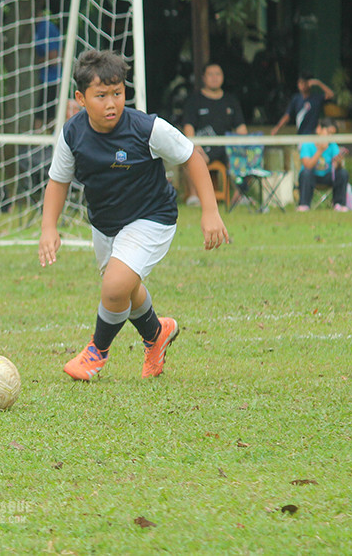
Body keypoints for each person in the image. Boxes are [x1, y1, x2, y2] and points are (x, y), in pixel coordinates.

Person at [38, 50, 229, 381]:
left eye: (118, 93)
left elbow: (192, 155)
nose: (112, 103)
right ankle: (156, 334)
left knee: (114, 286)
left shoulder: (146, 128)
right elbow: (58, 181)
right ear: (81, 98)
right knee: (124, 287)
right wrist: (48, 227)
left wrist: (209, 211)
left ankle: (96, 354)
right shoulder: (72, 133)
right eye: (101, 96)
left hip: (151, 216)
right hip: (105, 224)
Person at [181, 63, 248, 164]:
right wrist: (195, 148)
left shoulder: (231, 100)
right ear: (203, 78)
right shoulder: (194, 100)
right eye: (210, 74)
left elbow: (241, 129)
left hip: (227, 151)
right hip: (203, 150)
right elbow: (188, 128)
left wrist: (243, 146)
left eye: (218, 74)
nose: (214, 78)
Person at [296, 117, 350, 211]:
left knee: (343, 173)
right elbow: (307, 165)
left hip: (328, 176)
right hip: (312, 176)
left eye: (332, 134)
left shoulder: (332, 145)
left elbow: (336, 168)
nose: (329, 136)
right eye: (328, 133)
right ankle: (304, 204)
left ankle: (339, 203)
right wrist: (320, 150)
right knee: (305, 173)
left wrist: (338, 161)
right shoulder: (307, 144)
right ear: (319, 129)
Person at [270, 72, 334, 136]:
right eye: (299, 83)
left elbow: (331, 94)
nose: (301, 85)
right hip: (301, 135)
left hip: (314, 135)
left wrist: (318, 83)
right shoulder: (296, 99)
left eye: (303, 83)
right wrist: (277, 127)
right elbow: (287, 115)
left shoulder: (316, 98)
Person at [34, 0, 62, 125]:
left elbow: (55, 58)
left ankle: (36, 142)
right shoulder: (37, 28)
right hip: (44, 78)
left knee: (42, 116)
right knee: (46, 115)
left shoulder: (46, 28)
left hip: (52, 79)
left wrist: (36, 62)